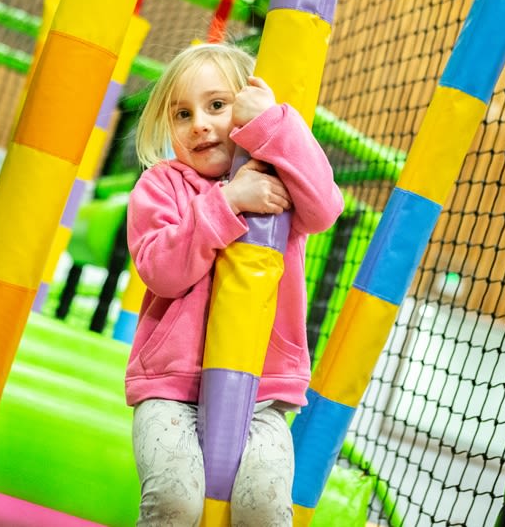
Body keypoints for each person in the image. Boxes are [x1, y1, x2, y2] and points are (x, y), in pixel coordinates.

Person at [125, 42, 344, 526]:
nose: (200, 123)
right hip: (171, 390)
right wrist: (227, 203)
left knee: (265, 505)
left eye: (217, 105)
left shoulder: (278, 183)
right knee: (174, 501)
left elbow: (327, 207)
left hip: (263, 394)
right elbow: (161, 270)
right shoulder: (162, 186)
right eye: (183, 114)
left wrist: (271, 124)